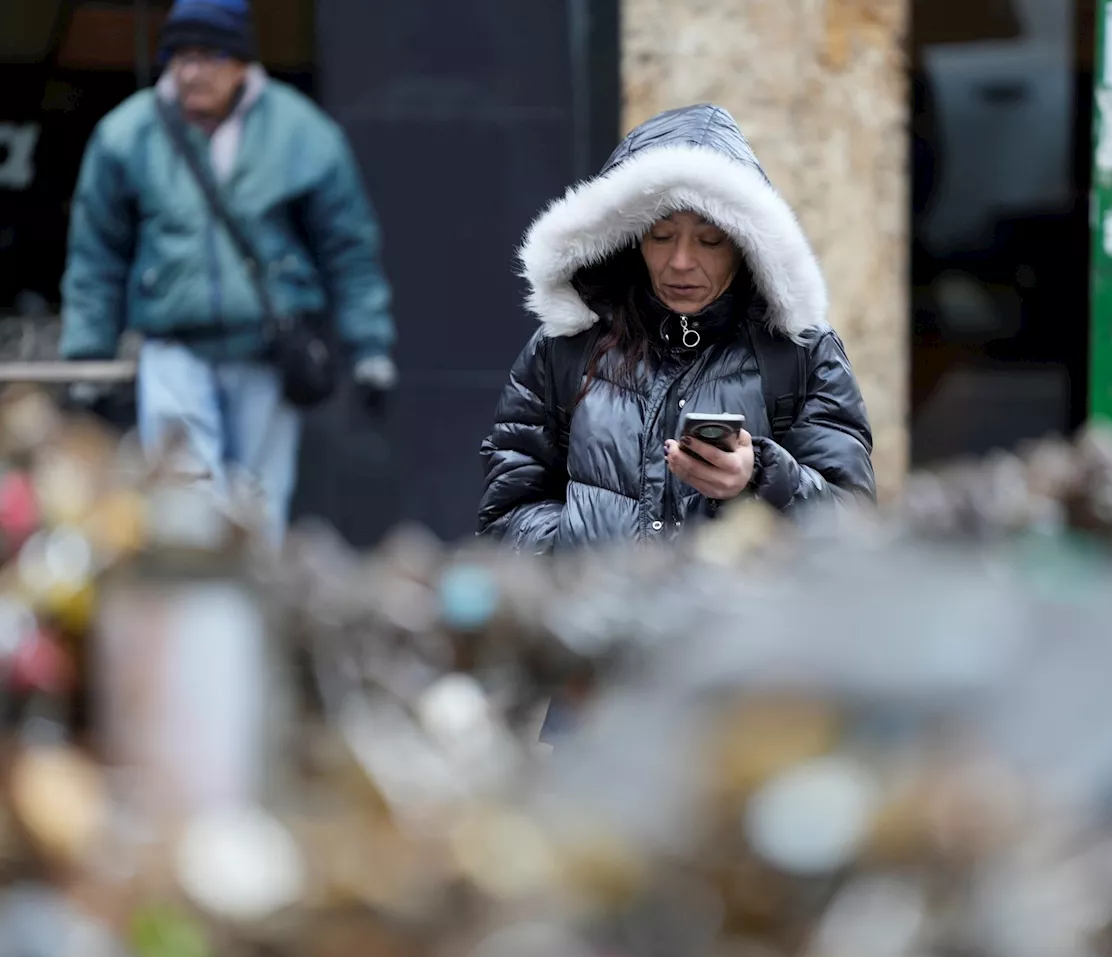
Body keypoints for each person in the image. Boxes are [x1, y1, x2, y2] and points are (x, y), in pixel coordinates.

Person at [59, 0, 396, 545]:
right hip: (174, 347)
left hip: (268, 350)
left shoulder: (301, 132)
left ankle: (255, 624)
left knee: (259, 506)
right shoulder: (127, 134)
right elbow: (96, 254)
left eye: (209, 55)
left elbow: (348, 246)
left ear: (241, 60)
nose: (191, 71)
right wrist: (86, 352)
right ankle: (193, 625)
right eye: (179, 56)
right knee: (181, 502)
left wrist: (370, 345)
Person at [478, 103, 875, 552]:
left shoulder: (800, 351)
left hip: (741, 622)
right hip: (601, 618)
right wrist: (571, 558)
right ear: (629, 238)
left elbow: (852, 529)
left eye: (710, 240)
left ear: (744, 243)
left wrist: (761, 477)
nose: (681, 262)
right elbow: (508, 508)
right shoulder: (569, 344)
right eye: (660, 236)